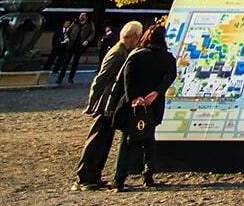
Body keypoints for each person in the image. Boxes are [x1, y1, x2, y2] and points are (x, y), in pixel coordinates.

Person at [72, 19, 142, 191]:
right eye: (138, 36)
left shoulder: (124, 51)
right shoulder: (117, 53)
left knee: (104, 140)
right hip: (106, 102)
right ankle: (84, 177)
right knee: (97, 139)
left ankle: (94, 176)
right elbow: (101, 79)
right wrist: (92, 102)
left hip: (112, 102)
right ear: (133, 36)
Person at [112, 23, 177, 190]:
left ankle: (120, 177)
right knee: (149, 137)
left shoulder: (137, 55)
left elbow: (128, 78)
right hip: (152, 104)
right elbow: (170, 76)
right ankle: (148, 175)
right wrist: (156, 92)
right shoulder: (167, 57)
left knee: (126, 139)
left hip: (134, 104)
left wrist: (133, 97)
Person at [62, 13, 97, 84]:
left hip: (80, 44)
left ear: (86, 17)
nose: (81, 16)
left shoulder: (89, 24)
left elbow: (92, 33)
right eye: (81, 15)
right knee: (66, 61)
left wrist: (87, 40)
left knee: (75, 62)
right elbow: (67, 32)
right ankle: (60, 78)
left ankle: (71, 78)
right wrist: (67, 38)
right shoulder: (75, 22)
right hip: (71, 43)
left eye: (83, 15)